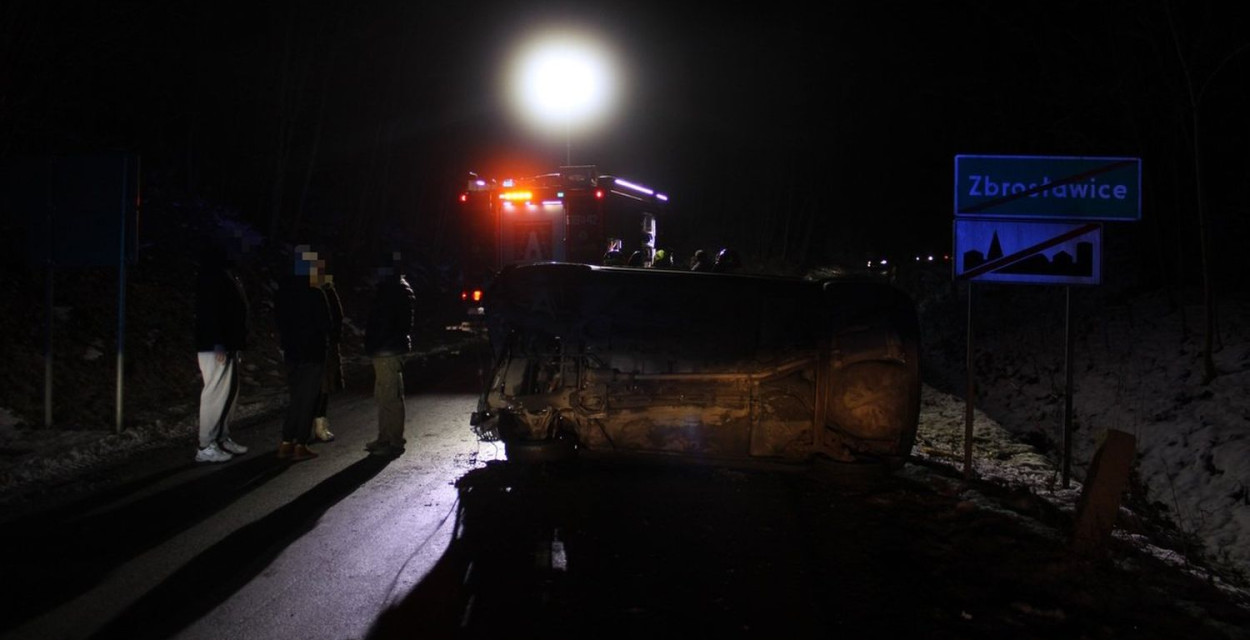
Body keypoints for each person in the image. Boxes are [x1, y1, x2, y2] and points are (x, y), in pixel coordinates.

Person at [193, 237, 251, 463]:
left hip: (228, 344)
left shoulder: (226, 274)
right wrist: (217, 342)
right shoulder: (211, 275)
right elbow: (208, 312)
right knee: (215, 394)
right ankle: (205, 444)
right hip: (215, 346)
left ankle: (221, 437)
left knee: (229, 394)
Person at [274, 245, 331, 461]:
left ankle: (286, 441)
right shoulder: (315, 293)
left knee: (295, 397)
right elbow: (326, 324)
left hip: (291, 351)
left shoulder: (282, 292)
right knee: (308, 399)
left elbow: (279, 321)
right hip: (313, 353)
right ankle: (301, 443)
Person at [364, 252, 416, 457]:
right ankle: (386, 437)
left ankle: (392, 440)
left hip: (387, 349)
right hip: (388, 348)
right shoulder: (397, 288)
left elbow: (384, 322)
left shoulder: (393, 290)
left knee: (389, 396)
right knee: (385, 394)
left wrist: (375, 342)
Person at [312, 269, 344, 442]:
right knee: (316, 388)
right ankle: (316, 427)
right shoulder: (312, 291)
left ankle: (319, 425)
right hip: (316, 345)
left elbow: (337, 316)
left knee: (322, 388)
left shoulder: (327, 290)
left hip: (325, 345)